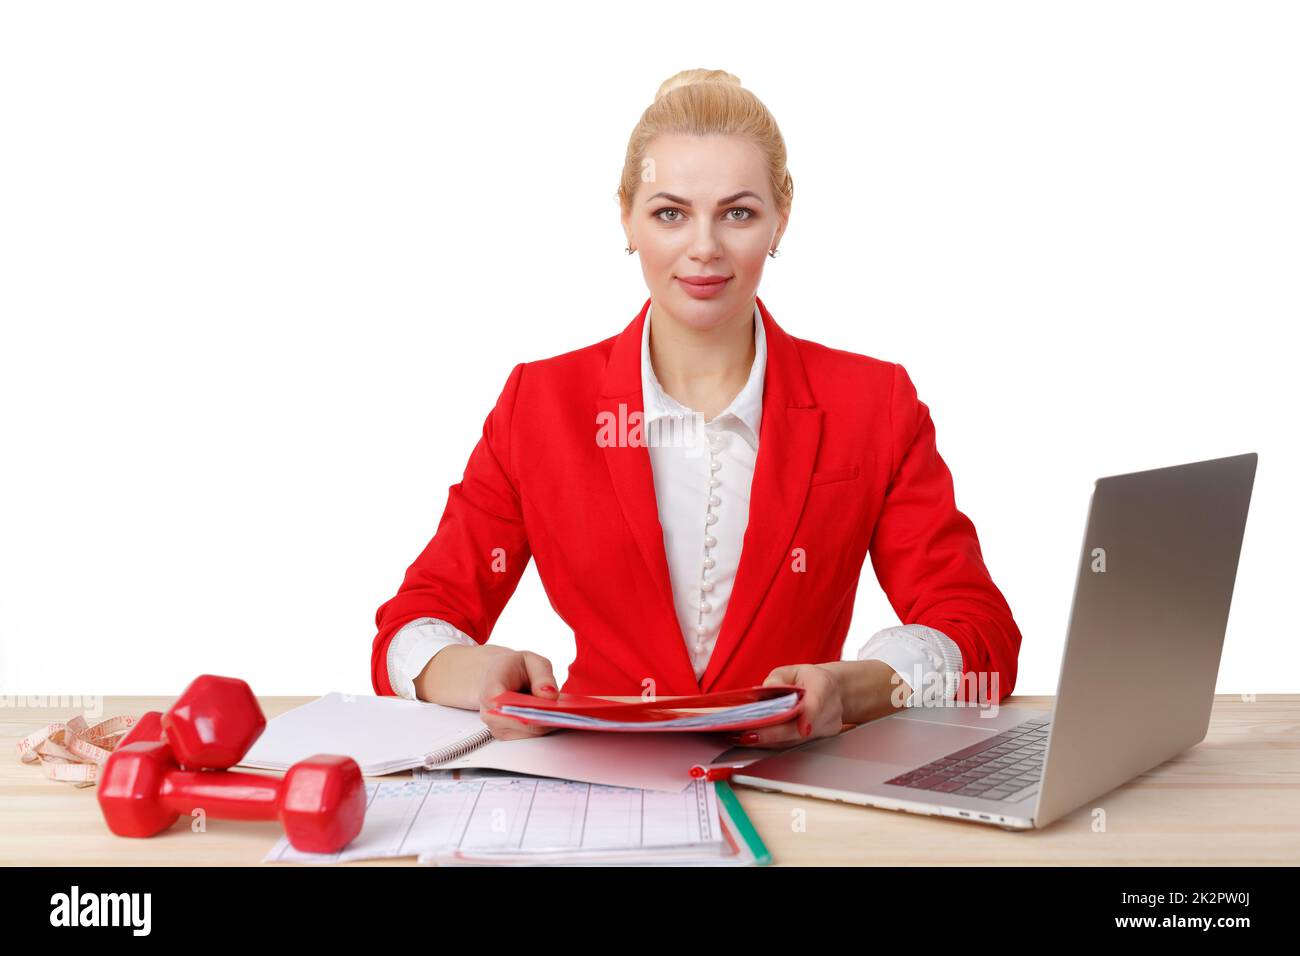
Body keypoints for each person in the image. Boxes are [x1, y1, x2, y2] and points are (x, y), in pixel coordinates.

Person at [370, 68, 1022, 750]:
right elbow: (412, 626)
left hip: (797, 793)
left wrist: (855, 687)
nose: (704, 247)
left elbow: (982, 634)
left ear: (780, 217)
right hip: (598, 788)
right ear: (626, 215)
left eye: (737, 212)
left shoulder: (872, 403)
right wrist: (464, 671)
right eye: (670, 213)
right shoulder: (539, 405)